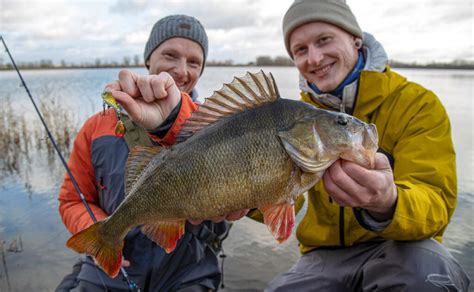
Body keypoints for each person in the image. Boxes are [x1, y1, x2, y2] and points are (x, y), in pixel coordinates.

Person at [261, 0, 470, 291]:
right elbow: (286, 201)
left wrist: (388, 201)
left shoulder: (417, 104)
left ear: (355, 39)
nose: (315, 57)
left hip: (401, 248)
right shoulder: (297, 116)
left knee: (430, 274)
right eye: (300, 50)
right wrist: (233, 195)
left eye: (324, 40)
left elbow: (437, 203)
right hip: (322, 257)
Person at [56, 14, 232, 292]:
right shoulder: (95, 128)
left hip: (188, 267)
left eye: (194, 62)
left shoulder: (216, 126)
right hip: (113, 264)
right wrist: (102, 229)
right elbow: (71, 200)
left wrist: (172, 119)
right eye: (170, 55)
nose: (181, 71)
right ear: (148, 59)